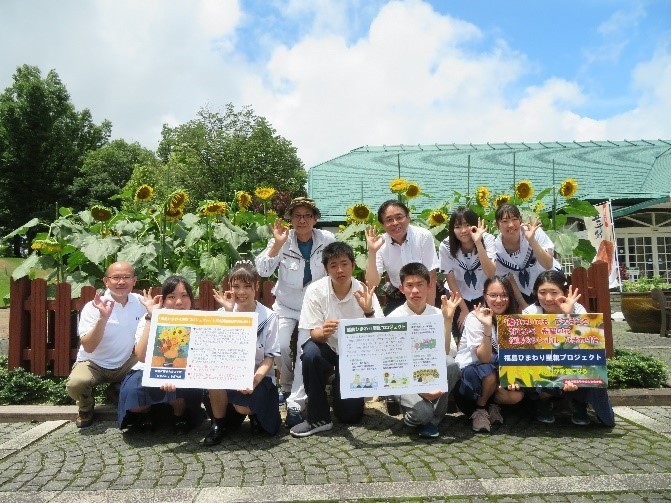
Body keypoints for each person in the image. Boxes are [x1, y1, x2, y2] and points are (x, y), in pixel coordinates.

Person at [255, 197, 335, 427]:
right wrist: (277, 245)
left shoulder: (327, 239)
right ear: (290, 219)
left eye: (308, 215)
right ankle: (286, 386)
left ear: (315, 219)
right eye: (297, 216)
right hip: (286, 306)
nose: (302, 220)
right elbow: (262, 270)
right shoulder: (282, 239)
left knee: (303, 350)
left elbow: (339, 263)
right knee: (280, 346)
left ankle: (296, 401)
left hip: (315, 309)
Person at [290, 242, 383, 438]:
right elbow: (311, 334)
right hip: (327, 348)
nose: (339, 270)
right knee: (310, 354)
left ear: (353, 265)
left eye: (344, 264)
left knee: (350, 416)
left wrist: (368, 311)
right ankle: (318, 417)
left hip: (354, 356)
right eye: (333, 265)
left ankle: (339, 384)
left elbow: (378, 335)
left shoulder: (364, 290)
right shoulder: (316, 290)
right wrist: (323, 332)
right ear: (326, 269)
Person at [522, 270, 615, 427]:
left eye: (554, 292)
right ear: (536, 293)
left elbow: (590, 350)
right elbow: (527, 351)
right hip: (544, 365)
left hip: (576, 366)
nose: (548, 298)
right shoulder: (530, 313)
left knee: (593, 373)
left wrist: (568, 316)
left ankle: (579, 403)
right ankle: (544, 401)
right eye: (542, 292)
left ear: (564, 292)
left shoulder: (578, 310)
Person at [204, 261, 281, 446]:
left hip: (259, 376)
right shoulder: (223, 313)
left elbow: (270, 357)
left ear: (256, 286)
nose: (241, 292)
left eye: (247, 286)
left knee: (243, 407)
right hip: (229, 375)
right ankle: (218, 424)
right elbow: (220, 352)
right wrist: (230, 314)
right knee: (213, 379)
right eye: (236, 286)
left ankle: (254, 414)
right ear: (229, 287)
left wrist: (253, 380)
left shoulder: (269, 317)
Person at [117, 276, 205, 433]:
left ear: (191, 298)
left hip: (186, 371)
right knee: (135, 395)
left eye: (184, 296)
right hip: (148, 368)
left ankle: (179, 416)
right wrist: (152, 317)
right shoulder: (150, 317)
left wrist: (172, 375)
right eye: (172, 297)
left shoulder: (199, 319)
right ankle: (144, 414)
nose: (179, 302)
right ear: (163, 300)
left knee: (180, 394)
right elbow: (142, 356)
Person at [66, 261, 146, 428]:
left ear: (134, 280)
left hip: (127, 362)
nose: (121, 282)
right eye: (116, 277)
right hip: (94, 363)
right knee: (76, 384)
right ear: (106, 281)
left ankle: (117, 390)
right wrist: (103, 318)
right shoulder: (93, 307)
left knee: (150, 372)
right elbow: (88, 347)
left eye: (126, 277)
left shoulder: (141, 303)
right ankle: (86, 407)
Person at [387, 262, 462, 439]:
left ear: (429, 286)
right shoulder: (394, 318)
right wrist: (421, 390)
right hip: (405, 377)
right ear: (401, 288)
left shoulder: (439, 313)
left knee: (451, 365)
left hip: (432, 375)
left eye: (420, 285)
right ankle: (423, 416)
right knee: (422, 412)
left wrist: (448, 320)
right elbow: (392, 364)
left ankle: (430, 420)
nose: (415, 291)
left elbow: (447, 354)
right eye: (410, 286)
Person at [453, 276, 525, 432]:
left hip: (494, 372)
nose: (499, 300)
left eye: (504, 295)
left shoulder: (512, 319)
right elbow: (484, 358)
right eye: (493, 295)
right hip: (470, 376)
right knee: (489, 373)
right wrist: (486, 327)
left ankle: (492, 405)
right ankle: (480, 409)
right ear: (485, 295)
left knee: (515, 396)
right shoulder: (474, 317)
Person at [365, 200, 440, 315]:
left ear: (408, 217)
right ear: (382, 225)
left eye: (399, 217)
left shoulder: (423, 236)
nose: (395, 223)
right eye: (389, 220)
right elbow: (372, 283)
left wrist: (427, 312)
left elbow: (431, 275)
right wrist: (372, 252)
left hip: (425, 293)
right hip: (398, 295)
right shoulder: (380, 244)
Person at [439, 207, 496, 336]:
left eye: (467, 225)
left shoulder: (487, 239)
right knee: (460, 330)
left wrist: (478, 243)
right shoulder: (446, 245)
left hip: (483, 292)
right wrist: (464, 310)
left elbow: (490, 273)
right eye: (458, 226)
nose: (463, 231)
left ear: (475, 225)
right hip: (457, 294)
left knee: (484, 330)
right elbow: (450, 278)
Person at [493, 203, 560, 307]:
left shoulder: (534, 232)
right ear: (497, 225)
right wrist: (522, 303)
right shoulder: (496, 248)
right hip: (522, 292)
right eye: (505, 221)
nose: (511, 225)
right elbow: (508, 278)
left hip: (550, 286)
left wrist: (532, 240)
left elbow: (548, 264)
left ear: (520, 220)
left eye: (515, 219)